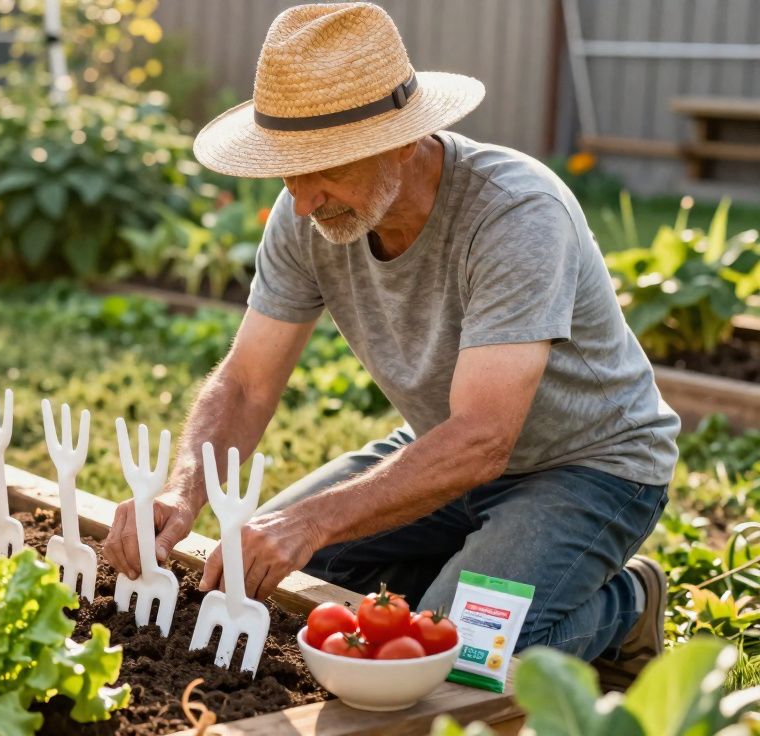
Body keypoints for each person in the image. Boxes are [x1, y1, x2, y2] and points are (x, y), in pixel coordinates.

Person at [99, 2, 679, 688]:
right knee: (276, 571)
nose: (304, 199)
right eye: (287, 167)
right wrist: (182, 491)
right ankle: (474, 577)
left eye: (325, 167)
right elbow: (248, 383)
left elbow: (484, 439)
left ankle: (627, 603)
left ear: (405, 139)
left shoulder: (516, 214)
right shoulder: (304, 214)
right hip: (443, 456)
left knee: (448, 661)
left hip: (589, 467)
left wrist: (311, 520)